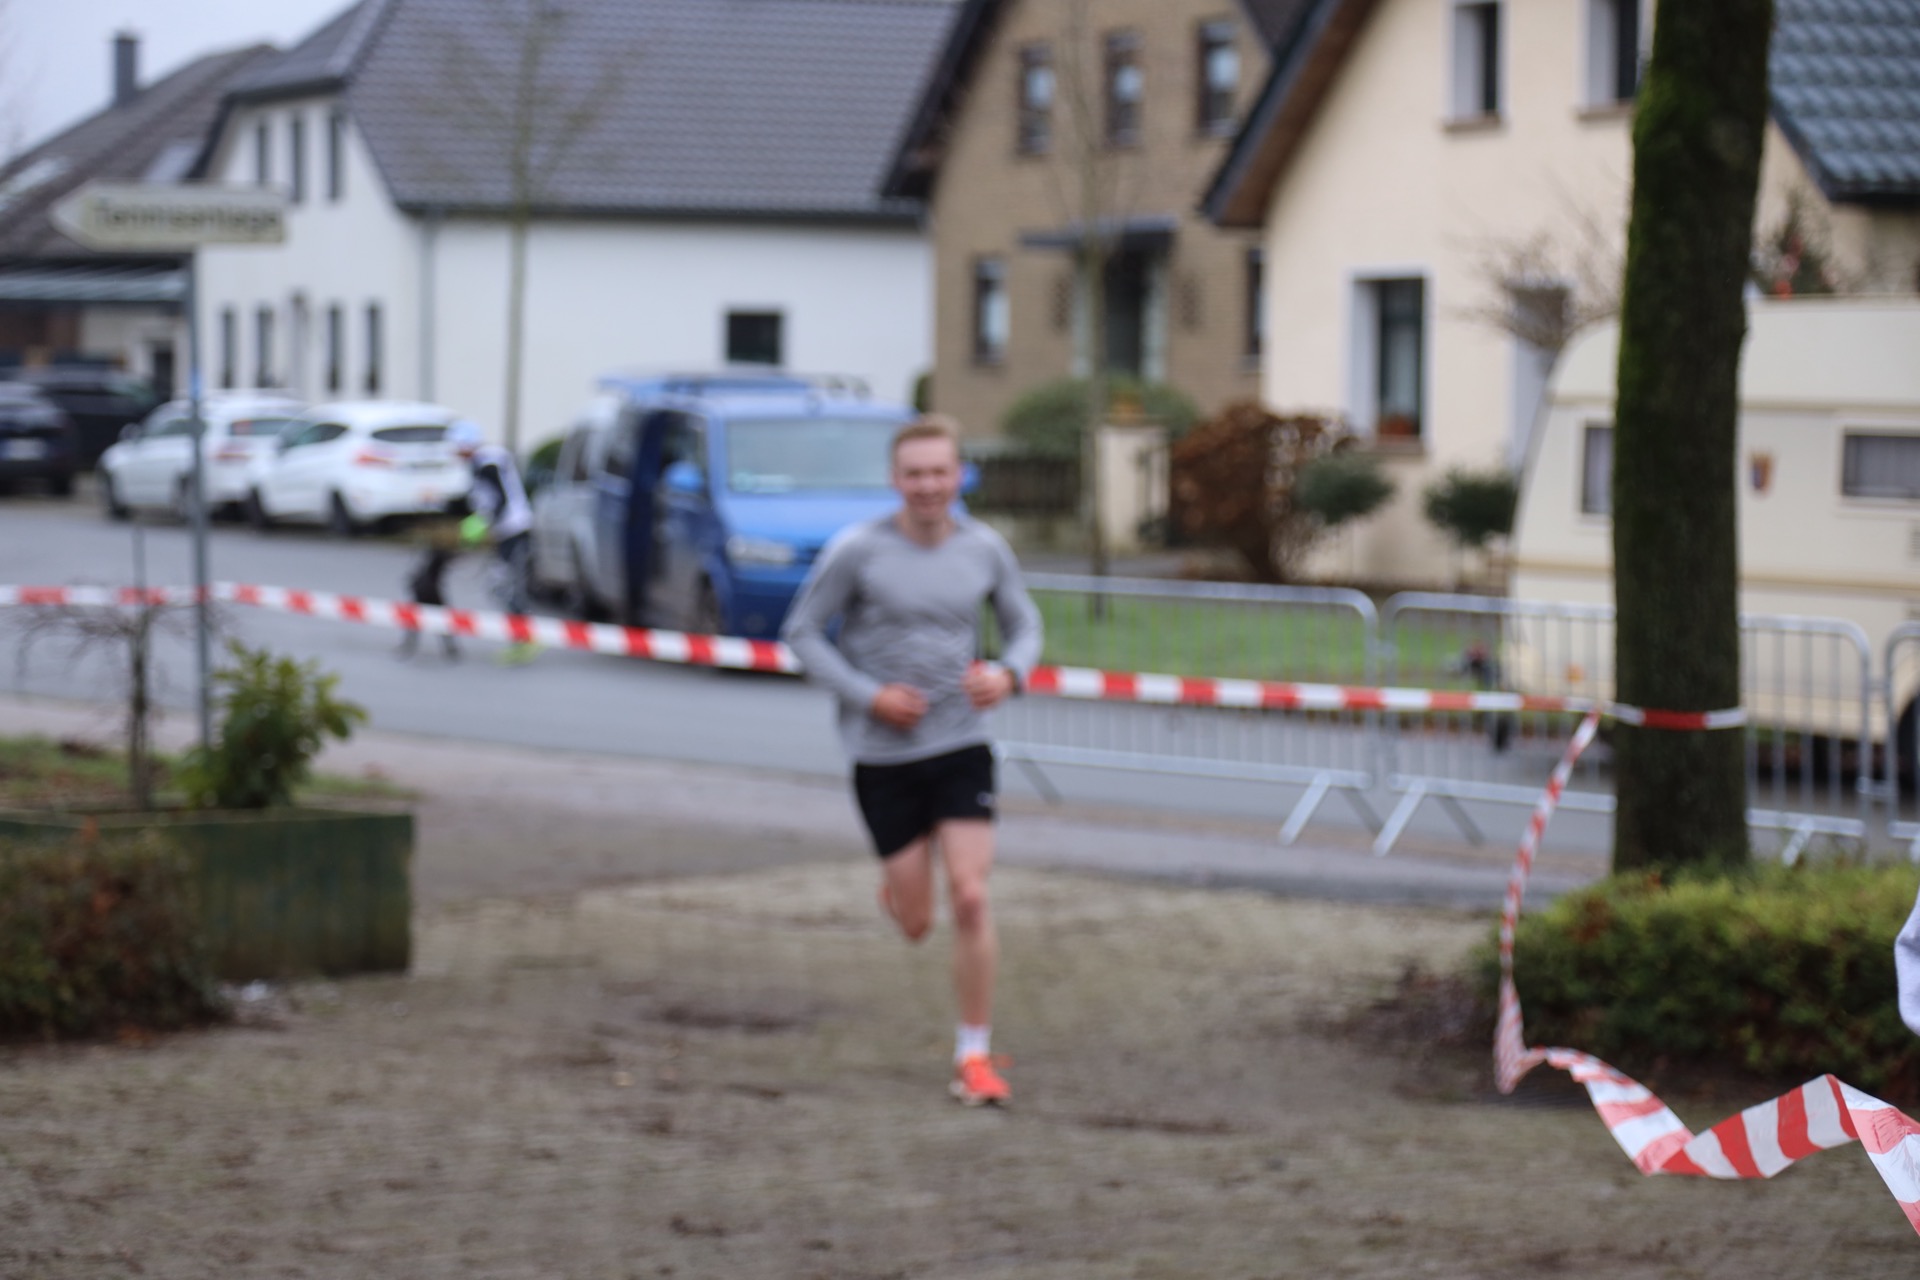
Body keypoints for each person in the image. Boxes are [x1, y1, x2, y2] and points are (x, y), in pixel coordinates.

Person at [781, 415, 1043, 1106]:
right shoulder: (858, 551)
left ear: (959, 476)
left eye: (940, 472)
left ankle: (973, 1055)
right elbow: (802, 633)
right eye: (915, 474)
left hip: (961, 742)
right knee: (918, 923)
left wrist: (1009, 674)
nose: (929, 486)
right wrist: (868, 696)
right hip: (883, 754)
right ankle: (900, 893)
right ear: (895, 480)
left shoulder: (985, 548)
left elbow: (1024, 625)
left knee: (972, 896)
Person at [447, 420, 539, 665]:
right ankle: (522, 637)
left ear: (466, 445)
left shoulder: (488, 463)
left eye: (457, 448)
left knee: (505, 585)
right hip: (506, 533)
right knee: (502, 586)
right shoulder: (480, 464)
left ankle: (526, 638)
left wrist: (482, 524)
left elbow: (500, 499)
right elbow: (479, 500)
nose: (455, 454)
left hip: (514, 532)